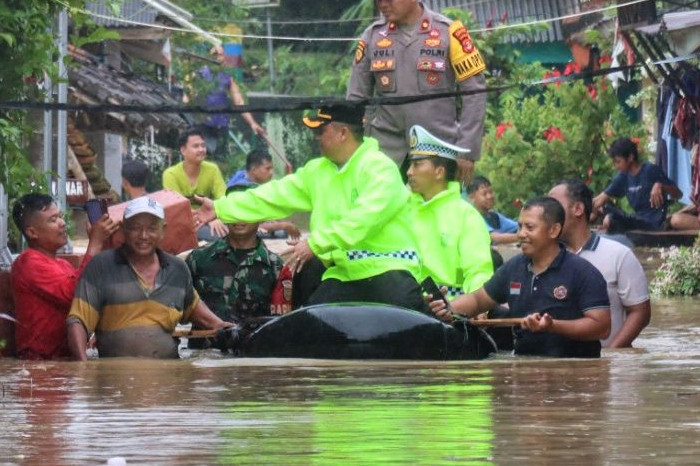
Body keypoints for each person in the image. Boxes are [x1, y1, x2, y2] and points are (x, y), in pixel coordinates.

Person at [193, 103, 425, 311]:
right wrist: (221, 208)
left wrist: (315, 243)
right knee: (310, 325)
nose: (315, 137)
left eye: (320, 131)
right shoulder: (318, 171)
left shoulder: (379, 168)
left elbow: (364, 219)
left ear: (343, 133)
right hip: (344, 275)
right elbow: (275, 195)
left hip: (390, 272)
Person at [430, 196, 611, 358]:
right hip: (525, 369)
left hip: (575, 374)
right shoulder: (514, 267)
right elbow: (478, 300)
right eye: (519, 226)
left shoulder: (583, 272)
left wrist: (552, 326)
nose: (521, 234)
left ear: (554, 230)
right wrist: (448, 308)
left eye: (529, 227)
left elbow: (602, 327)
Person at [66, 196, 230, 360]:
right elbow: (78, 320)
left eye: (152, 228)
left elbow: (193, 308)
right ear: (123, 229)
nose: (143, 235)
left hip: (169, 377)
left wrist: (223, 327)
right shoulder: (100, 266)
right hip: (116, 380)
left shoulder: (177, 269)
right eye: (135, 228)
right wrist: (83, 369)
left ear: (163, 230)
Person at [347, 0, 487, 184]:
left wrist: (466, 150)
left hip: (437, 155)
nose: (383, 4)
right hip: (385, 156)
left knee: (436, 211)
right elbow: (356, 99)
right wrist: (356, 149)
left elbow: (475, 93)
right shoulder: (371, 36)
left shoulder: (450, 32)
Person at [10, 193, 119, 360]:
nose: (62, 223)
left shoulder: (63, 265)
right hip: (39, 364)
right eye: (53, 220)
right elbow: (75, 295)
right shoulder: (28, 262)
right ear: (32, 232)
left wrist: (103, 243)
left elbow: (94, 292)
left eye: (60, 217)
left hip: (64, 359)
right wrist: (95, 243)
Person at [549, 179, 651, 348]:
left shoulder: (619, 254)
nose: (547, 212)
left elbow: (640, 312)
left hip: (608, 365)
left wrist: (611, 354)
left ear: (578, 209)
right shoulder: (546, 256)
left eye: (554, 204)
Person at [185, 181, 284, 349]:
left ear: (261, 214)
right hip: (204, 362)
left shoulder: (276, 267)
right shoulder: (198, 260)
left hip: (251, 360)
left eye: (246, 208)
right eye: (233, 208)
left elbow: (281, 324)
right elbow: (176, 309)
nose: (239, 216)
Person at [406, 125, 492, 299]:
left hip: (448, 312)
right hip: (403, 307)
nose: (409, 172)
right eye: (410, 165)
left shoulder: (466, 215)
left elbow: (478, 271)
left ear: (439, 172)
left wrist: (478, 305)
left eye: (417, 165)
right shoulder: (402, 208)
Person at [593, 137, 682, 233]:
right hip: (638, 219)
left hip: (654, 222)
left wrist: (661, 185)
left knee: (610, 219)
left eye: (618, 162)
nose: (616, 166)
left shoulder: (650, 170)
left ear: (630, 157)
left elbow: (678, 194)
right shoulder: (623, 176)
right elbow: (600, 199)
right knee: (607, 214)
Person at [197, 44, 265, 155]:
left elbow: (239, 101)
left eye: (222, 55)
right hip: (201, 125)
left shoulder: (227, 77)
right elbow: (189, 97)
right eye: (216, 54)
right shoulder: (200, 73)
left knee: (220, 158)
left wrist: (252, 123)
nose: (219, 58)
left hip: (220, 125)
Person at [163, 127, 228, 241]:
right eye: (196, 146)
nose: (201, 149)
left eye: (203, 145)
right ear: (183, 150)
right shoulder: (170, 174)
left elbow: (223, 198)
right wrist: (210, 219)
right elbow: (178, 209)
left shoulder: (212, 169)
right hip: (184, 223)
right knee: (217, 237)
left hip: (210, 219)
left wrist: (216, 217)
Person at [226, 149, 301, 239]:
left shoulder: (245, 176)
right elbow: (249, 226)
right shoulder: (241, 189)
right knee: (280, 232)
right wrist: (284, 225)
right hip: (236, 232)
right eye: (267, 168)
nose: (271, 172)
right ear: (254, 170)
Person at [467, 176, 519, 244]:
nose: (490, 196)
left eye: (491, 192)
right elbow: (496, 238)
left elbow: (518, 226)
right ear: (472, 197)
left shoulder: (494, 216)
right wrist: (524, 237)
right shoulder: (472, 217)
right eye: (484, 194)